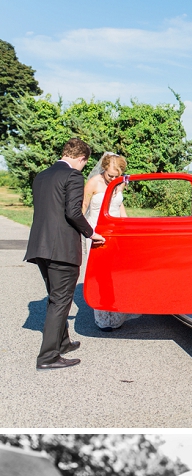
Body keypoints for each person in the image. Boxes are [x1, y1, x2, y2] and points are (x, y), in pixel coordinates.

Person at [24, 137, 105, 370]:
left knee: (55, 296)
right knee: (60, 301)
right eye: (84, 163)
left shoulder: (42, 176)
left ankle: (63, 342)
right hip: (61, 249)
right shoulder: (73, 176)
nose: (83, 167)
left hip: (39, 246)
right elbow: (73, 212)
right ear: (81, 159)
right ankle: (48, 357)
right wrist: (91, 233)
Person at [82, 152, 136, 331]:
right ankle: (103, 318)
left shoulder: (119, 183)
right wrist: (82, 231)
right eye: (110, 175)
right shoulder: (93, 183)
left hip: (116, 233)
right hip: (96, 232)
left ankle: (116, 315)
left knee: (116, 274)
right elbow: (83, 207)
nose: (112, 178)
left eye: (116, 176)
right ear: (103, 169)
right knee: (100, 275)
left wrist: (127, 225)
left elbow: (119, 205)